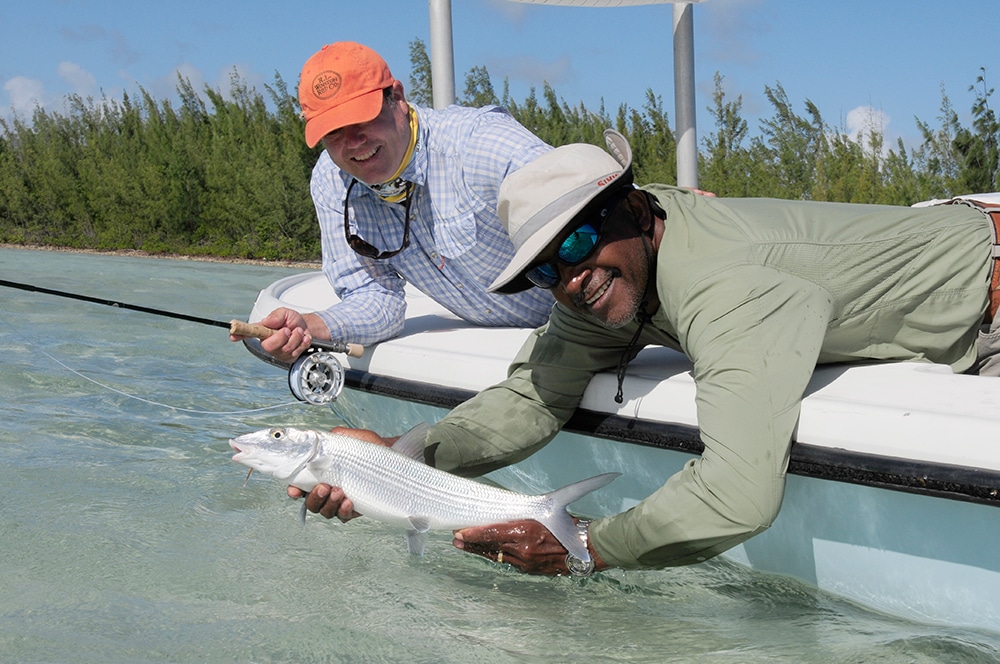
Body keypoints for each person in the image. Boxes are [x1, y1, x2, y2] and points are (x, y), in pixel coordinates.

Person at [291, 129, 1000, 576]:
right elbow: (535, 395)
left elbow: (737, 497)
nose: (570, 279)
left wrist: (586, 546)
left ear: (635, 210)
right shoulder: (611, 274)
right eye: (545, 271)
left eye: (574, 243)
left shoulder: (728, 290)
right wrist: (395, 460)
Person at [232, 41, 554, 363]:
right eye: (334, 132)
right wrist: (310, 326)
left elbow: (590, 219)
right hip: (504, 351)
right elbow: (375, 298)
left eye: (362, 119)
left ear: (397, 98)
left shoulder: (481, 143)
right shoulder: (332, 182)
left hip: (580, 321)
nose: (354, 143)